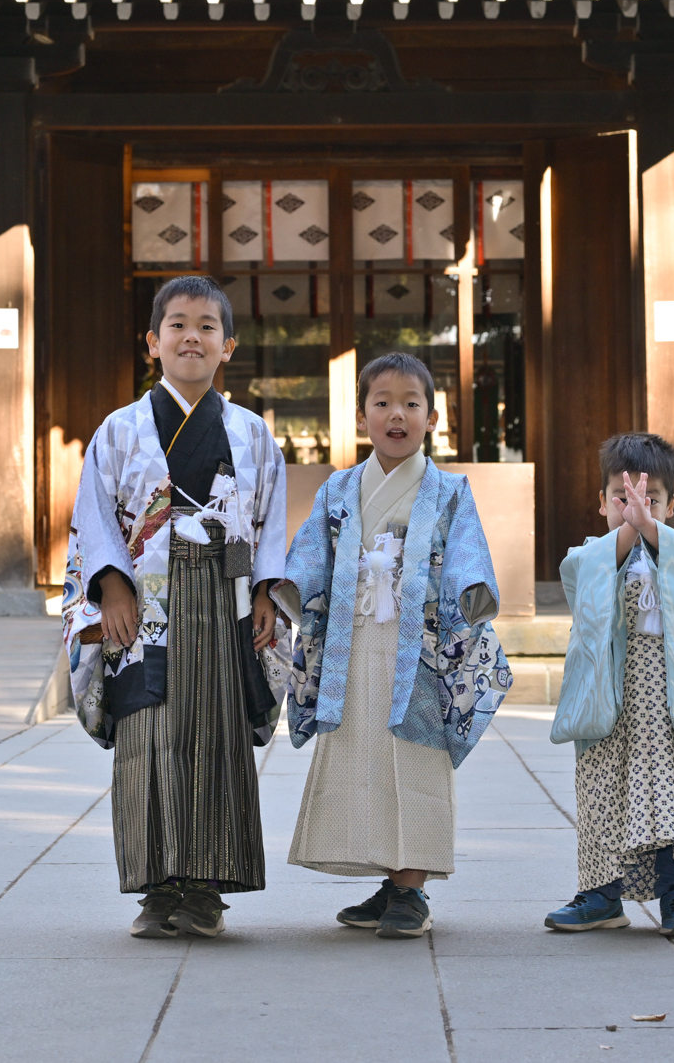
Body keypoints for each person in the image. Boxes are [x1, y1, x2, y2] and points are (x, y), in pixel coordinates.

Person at [61, 275, 289, 940]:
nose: (193, 336)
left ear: (228, 346)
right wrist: (110, 586)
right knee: (148, 733)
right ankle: (157, 885)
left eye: (207, 326)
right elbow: (94, 516)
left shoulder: (252, 434)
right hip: (144, 598)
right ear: (152, 342)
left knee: (215, 733)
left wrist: (264, 591)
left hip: (223, 596)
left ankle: (206, 888)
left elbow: (266, 523)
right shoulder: (118, 430)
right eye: (178, 325)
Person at [277, 352, 511, 938]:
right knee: (361, 758)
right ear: (362, 418)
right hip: (352, 644)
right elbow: (310, 557)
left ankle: (412, 888)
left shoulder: (450, 491)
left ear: (433, 418)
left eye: (411, 403)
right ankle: (390, 879)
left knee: (415, 760)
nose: (397, 415)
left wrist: (469, 599)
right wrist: (286, 593)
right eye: (382, 403)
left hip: (420, 650)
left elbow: (467, 558)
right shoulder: (338, 488)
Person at [546, 432, 674, 939]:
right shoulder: (589, 555)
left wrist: (647, 528)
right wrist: (632, 528)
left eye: (649, 499)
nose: (634, 506)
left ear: (671, 506)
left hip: (671, 703)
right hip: (610, 698)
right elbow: (580, 578)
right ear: (602, 502)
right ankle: (601, 896)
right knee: (602, 791)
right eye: (621, 497)